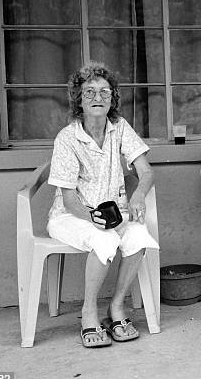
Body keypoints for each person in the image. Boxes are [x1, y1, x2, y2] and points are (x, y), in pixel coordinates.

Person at [47, 61, 158, 348]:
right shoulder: (67, 138)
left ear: (113, 99)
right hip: (71, 216)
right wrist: (92, 217)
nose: (98, 98)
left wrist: (138, 194)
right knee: (103, 237)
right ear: (78, 100)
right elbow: (69, 199)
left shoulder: (119, 128)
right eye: (90, 92)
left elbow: (146, 172)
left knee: (138, 236)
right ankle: (88, 313)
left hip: (112, 213)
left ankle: (116, 307)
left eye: (105, 92)